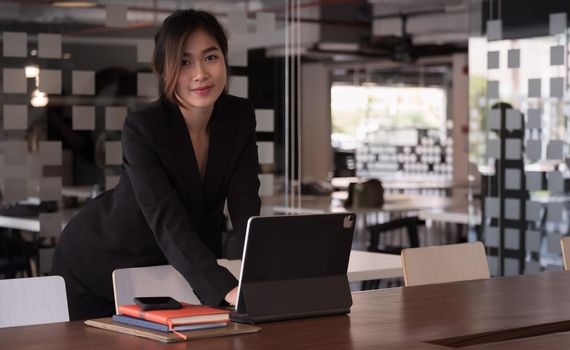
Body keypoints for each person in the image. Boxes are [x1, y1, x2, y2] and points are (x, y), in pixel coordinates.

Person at [52, 9, 261, 320]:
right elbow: (165, 219)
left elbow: (246, 207)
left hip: (180, 268)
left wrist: (259, 275)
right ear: (165, 71)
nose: (200, 73)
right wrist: (225, 288)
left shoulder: (239, 117)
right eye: (184, 62)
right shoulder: (144, 127)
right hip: (104, 262)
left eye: (211, 57)